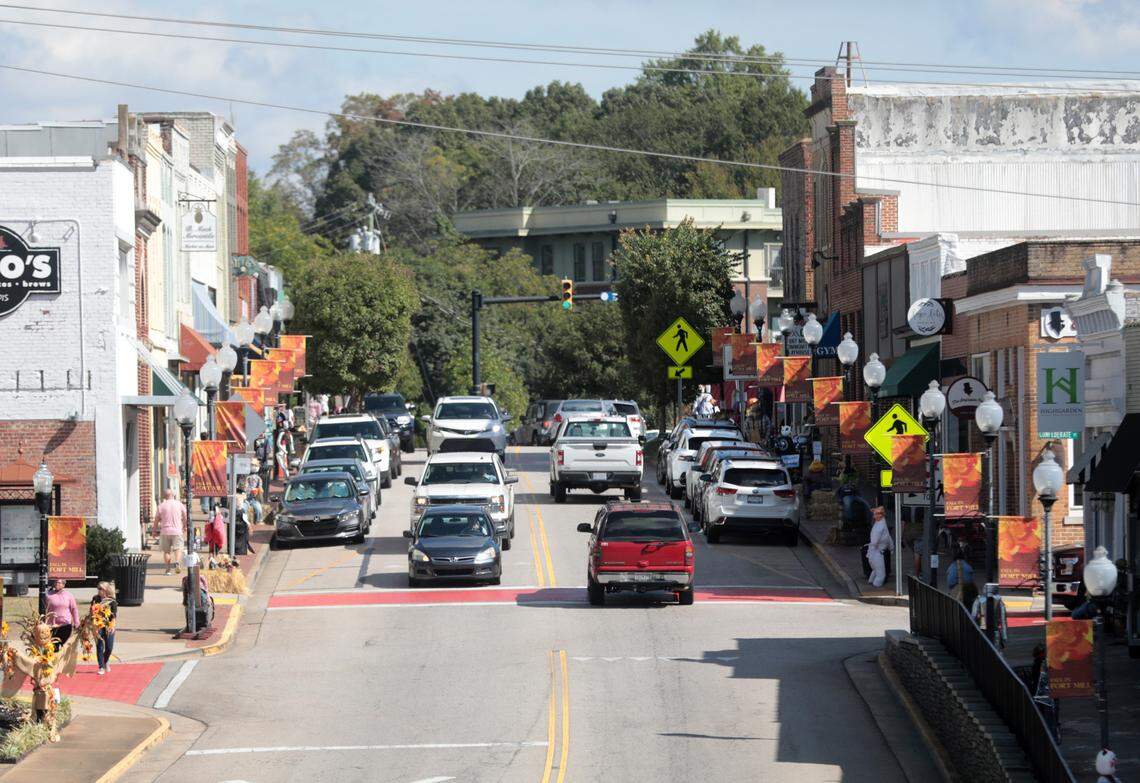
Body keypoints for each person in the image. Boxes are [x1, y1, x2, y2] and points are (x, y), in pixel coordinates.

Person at [153, 488, 187, 575]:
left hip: (165, 531)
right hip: (177, 530)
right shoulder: (179, 504)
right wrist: (185, 525)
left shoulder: (161, 506)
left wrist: (154, 531)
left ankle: (168, 570)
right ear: (173, 495)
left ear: (164, 496)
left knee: (167, 551)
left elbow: (156, 520)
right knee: (178, 548)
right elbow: (185, 515)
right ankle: (177, 562)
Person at [90, 581, 117, 675]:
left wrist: (112, 626)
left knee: (109, 647)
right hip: (97, 625)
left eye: (100, 588)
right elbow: (91, 611)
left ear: (106, 590)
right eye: (98, 588)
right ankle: (101, 667)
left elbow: (114, 615)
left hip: (109, 625)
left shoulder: (112, 600)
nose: (98, 590)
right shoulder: (95, 598)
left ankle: (105, 661)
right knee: (99, 646)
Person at [44, 578, 79, 651]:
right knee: (53, 647)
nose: (57, 584)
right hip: (52, 625)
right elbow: (44, 609)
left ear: (63, 585)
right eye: (56, 582)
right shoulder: (48, 595)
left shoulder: (69, 595)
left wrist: (76, 622)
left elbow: (74, 609)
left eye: (59, 583)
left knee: (63, 646)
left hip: (65, 625)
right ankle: (53, 661)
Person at [867, 506, 894, 588]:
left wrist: (891, 547)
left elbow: (887, 536)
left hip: (874, 552)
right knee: (881, 575)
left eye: (875, 514)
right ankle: (875, 587)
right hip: (877, 552)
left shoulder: (880, 524)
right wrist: (891, 547)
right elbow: (875, 541)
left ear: (880, 515)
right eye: (874, 514)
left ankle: (871, 582)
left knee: (875, 570)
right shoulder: (880, 526)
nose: (873, 516)